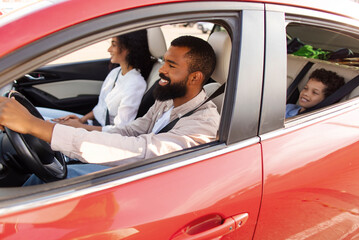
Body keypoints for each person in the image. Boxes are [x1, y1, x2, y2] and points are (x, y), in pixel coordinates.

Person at [0, 35, 220, 184]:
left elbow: (140, 150)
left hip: (143, 182)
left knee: (44, 183)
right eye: (164, 61)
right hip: (134, 168)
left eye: (171, 66)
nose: (162, 70)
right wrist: (80, 128)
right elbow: (132, 130)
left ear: (195, 77)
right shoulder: (170, 100)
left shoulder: (202, 124)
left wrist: (36, 127)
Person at [39, 29, 155, 133]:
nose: (109, 49)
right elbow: (101, 108)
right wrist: (80, 120)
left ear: (128, 49)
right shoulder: (116, 72)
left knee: (40, 124)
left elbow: (121, 129)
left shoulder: (135, 83)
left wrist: (80, 127)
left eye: (114, 45)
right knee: (37, 112)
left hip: (101, 134)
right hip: (91, 126)